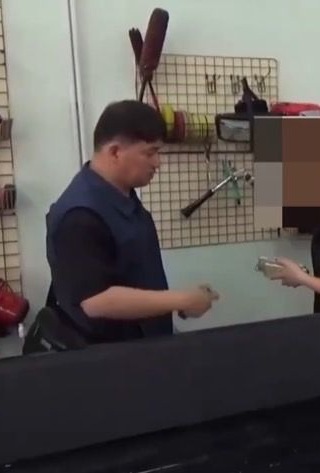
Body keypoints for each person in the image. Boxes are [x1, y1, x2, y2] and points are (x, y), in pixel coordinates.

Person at [44, 100, 218, 345]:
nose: (158, 163)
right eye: (150, 153)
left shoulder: (122, 196)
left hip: (146, 344)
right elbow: (96, 301)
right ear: (115, 152)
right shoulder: (80, 216)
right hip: (111, 356)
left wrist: (173, 303)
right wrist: (182, 300)